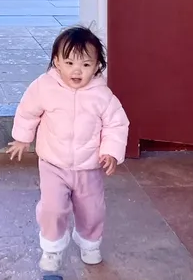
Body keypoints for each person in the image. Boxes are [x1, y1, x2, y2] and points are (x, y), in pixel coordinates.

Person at [7, 26, 129, 273]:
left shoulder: (101, 95)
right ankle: (51, 248)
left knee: (92, 210)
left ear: (97, 66)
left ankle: (89, 242)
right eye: (70, 62)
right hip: (53, 163)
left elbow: (116, 123)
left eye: (86, 65)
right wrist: (22, 138)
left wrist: (111, 152)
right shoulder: (44, 87)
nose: (77, 70)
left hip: (88, 167)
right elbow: (28, 111)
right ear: (56, 62)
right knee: (53, 208)